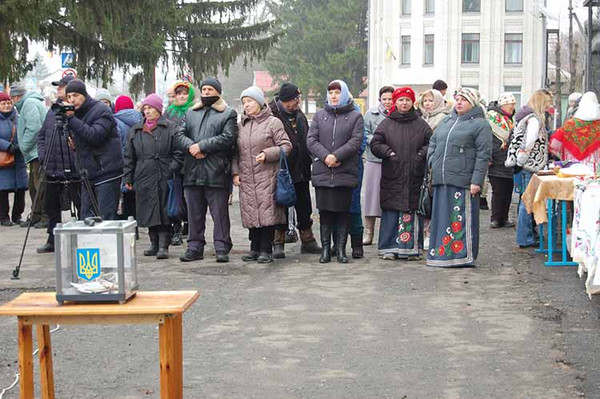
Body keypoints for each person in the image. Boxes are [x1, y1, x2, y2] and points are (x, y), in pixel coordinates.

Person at [426, 87, 492, 267]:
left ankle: (462, 255)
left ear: (473, 103)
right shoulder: (447, 121)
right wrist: (432, 160)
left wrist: (476, 181)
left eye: (464, 99)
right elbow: (433, 142)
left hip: (464, 181)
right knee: (441, 218)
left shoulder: (481, 124)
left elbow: (483, 155)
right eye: (458, 99)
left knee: (460, 219)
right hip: (442, 178)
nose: (459, 102)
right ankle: (441, 255)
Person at [174, 77, 238, 263]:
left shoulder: (228, 113)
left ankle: (221, 247)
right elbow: (179, 134)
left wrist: (202, 146)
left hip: (216, 170)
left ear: (218, 91)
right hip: (192, 170)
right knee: (194, 213)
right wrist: (192, 147)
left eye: (210, 89)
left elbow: (228, 138)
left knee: (220, 214)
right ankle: (194, 247)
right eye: (204, 89)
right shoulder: (190, 112)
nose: (207, 92)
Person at [371, 87, 432, 260]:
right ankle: (389, 247)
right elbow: (375, 143)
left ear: (413, 102)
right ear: (395, 102)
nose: (404, 103)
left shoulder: (421, 124)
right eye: (400, 100)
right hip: (393, 173)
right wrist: (388, 152)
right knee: (391, 209)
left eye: (407, 100)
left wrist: (421, 155)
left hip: (414, 174)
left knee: (411, 208)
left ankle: (411, 248)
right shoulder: (387, 123)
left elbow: (431, 142)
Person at [232, 86, 292, 263]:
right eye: (244, 102)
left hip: (268, 175)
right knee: (251, 212)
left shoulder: (273, 123)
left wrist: (267, 154)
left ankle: (266, 249)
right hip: (247, 177)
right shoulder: (241, 125)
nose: (246, 105)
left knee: (267, 213)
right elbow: (235, 153)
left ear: (259, 102)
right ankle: (254, 248)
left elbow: (286, 146)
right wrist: (235, 173)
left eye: (249, 101)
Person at [307, 80, 363, 263]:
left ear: (345, 94)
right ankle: (325, 250)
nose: (333, 96)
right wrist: (326, 157)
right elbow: (311, 140)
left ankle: (340, 249)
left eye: (337, 92)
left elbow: (355, 141)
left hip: (344, 171)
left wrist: (337, 156)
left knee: (342, 212)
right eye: (330, 92)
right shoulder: (319, 115)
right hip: (323, 172)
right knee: (325, 212)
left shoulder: (355, 116)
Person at [124, 94, 183, 259]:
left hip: (164, 173)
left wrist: (171, 169)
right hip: (143, 174)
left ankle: (164, 246)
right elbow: (129, 156)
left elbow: (179, 153)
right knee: (148, 210)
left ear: (158, 109)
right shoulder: (136, 130)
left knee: (164, 211)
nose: (147, 111)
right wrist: (128, 178)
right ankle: (153, 244)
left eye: (150, 108)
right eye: (145, 108)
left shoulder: (170, 128)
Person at [268, 83, 321, 258]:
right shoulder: (271, 115)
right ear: (285, 100)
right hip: (281, 169)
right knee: (280, 205)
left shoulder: (299, 115)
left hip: (301, 167)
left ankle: (307, 240)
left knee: (304, 204)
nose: (297, 102)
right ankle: (278, 241)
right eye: (294, 99)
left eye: (298, 98)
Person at [65, 79, 124, 220]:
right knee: (87, 218)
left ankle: (108, 243)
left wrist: (72, 120)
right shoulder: (77, 113)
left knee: (106, 219)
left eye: (75, 95)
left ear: (84, 94)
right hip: (88, 173)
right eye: (69, 97)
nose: (72, 100)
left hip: (106, 171)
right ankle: (90, 243)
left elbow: (95, 136)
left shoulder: (101, 110)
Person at [36, 75, 82, 253]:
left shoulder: (77, 110)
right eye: (58, 87)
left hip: (73, 167)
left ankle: (83, 237)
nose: (58, 90)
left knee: (79, 203)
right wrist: (42, 155)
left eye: (61, 87)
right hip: (52, 167)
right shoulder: (53, 110)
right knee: (50, 205)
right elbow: (42, 135)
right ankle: (52, 238)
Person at [505, 89, 554, 248]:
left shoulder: (526, 117)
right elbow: (529, 142)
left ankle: (526, 236)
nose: (549, 107)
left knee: (526, 201)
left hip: (526, 164)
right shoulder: (534, 119)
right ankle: (525, 238)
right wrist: (521, 161)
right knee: (527, 202)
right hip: (529, 165)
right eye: (547, 103)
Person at [10, 83, 48, 228]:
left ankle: (44, 216)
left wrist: (23, 147)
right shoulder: (29, 103)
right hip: (34, 153)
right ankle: (36, 215)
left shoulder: (29, 104)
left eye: (12, 98)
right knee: (33, 186)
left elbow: (34, 128)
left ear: (16, 97)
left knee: (40, 186)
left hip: (36, 152)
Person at [362, 85, 394, 246]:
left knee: (390, 197)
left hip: (394, 160)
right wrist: (377, 143)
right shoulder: (370, 114)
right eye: (385, 99)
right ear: (379, 99)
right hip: (374, 159)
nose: (388, 102)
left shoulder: (398, 115)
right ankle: (369, 232)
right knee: (371, 196)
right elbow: (364, 132)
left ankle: (388, 234)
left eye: (390, 98)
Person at [166, 81, 196, 245]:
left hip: (191, 159)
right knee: (174, 196)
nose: (182, 96)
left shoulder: (195, 111)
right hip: (173, 161)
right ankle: (176, 229)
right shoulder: (169, 112)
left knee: (190, 197)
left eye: (185, 93)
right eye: (179, 93)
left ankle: (190, 226)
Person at [486, 93, 517, 229]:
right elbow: (486, 139)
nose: (512, 108)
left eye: (513, 106)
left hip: (508, 159)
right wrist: (488, 156)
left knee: (508, 189)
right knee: (498, 190)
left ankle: (504, 217)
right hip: (495, 157)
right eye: (510, 106)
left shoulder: (511, 119)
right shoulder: (491, 118)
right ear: (503, 105)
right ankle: (496, 218)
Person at [550, 91, 600, 169]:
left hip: (572, 166)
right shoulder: (598, 127)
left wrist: (566, 151)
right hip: (595, 168)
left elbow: (554, 144)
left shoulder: (570, 125)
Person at [114, 95, 142, 226]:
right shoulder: (140, 120)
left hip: (120, 163)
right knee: (132, 195)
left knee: (119, 195)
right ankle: (134, 225)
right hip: (137, 163)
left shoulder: (116, 122)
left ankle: (123, 224)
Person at [0, 92, 27, 226]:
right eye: (3, 103)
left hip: (18, 157)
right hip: (3, 159)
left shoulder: (18, 117)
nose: (7, 106)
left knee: (20, 188)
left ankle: (17, 215)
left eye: (8, 103)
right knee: (3, 190)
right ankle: (3, 216)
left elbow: (24, 131)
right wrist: (7, 146)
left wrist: (21, 145)